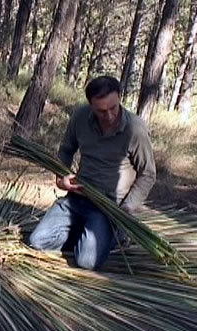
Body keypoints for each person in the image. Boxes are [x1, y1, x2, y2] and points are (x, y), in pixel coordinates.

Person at [28, 75, 156, 270]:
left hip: (108, 207)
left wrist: (128, 208)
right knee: (37, 241)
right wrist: (61, 178)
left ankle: (116, 234)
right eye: (101, 111)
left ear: (119, 98)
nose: (110, 116)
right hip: (77, 198)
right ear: (91, 106)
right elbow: (66, 149)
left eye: (113, 108)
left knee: (85, 261)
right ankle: (88, 234)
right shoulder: (80, 117)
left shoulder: (134, 129)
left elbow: (147, 173)